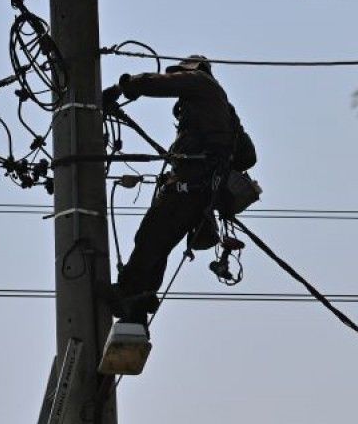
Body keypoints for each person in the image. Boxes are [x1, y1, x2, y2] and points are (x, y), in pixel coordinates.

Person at [101, 55, 256, 325]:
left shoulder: (199, 82)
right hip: (203, 197)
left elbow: (159, 83)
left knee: (149, 238)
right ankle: (139, 302)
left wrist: (122, 88)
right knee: (160, 245)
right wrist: (216, 156)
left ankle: (127, 292)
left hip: (187, 189)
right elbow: (248, 156)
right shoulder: (226, 111)